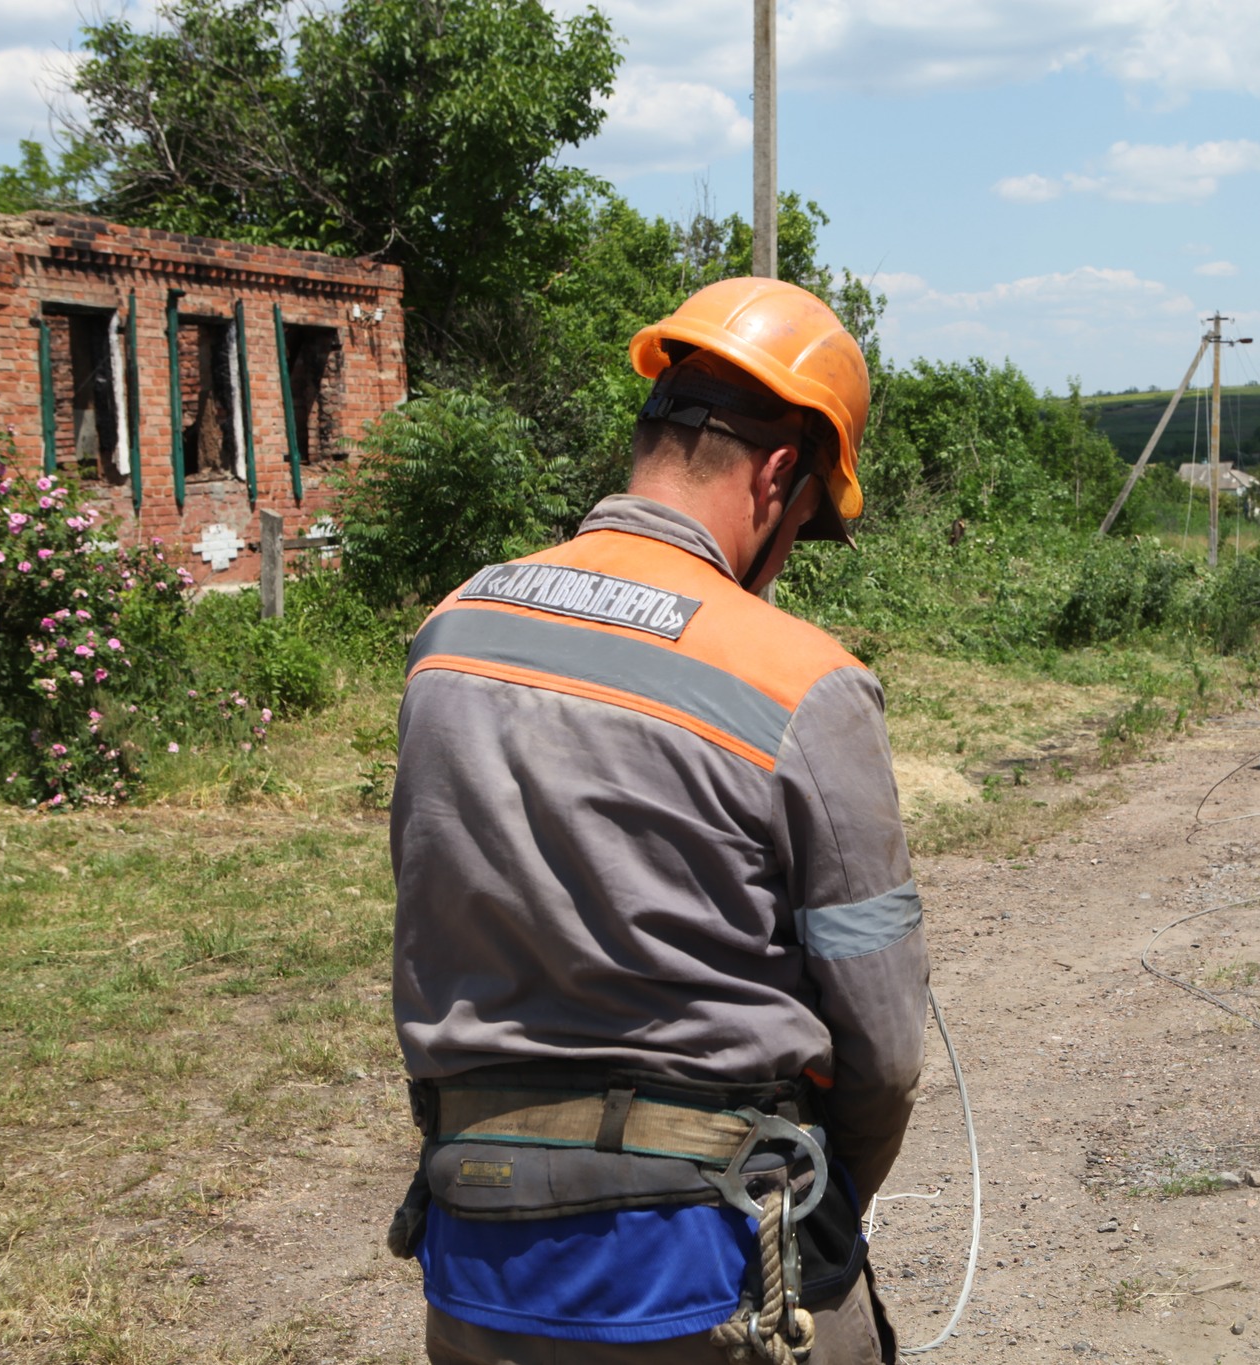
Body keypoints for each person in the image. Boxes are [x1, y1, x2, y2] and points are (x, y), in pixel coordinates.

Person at [385, 277, 927, 1365]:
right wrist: (833, 1202)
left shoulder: (450, 631)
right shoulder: (801, 682)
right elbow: (884, 1048)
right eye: (810, 519)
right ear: (782, 476)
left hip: (484, 1255)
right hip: (713, 1272)